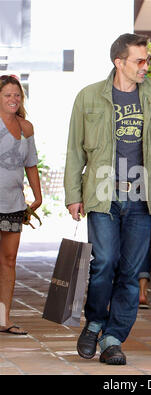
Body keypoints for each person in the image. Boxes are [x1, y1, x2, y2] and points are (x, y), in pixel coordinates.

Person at [64, 33, 151, 365]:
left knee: (131, 271)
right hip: (103, 196)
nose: (146, 67)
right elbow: (74, 150)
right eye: (140, 61)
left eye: (148, 61)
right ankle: (95, 322)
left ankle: (113, 338)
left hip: (141, 198)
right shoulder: (88, 98)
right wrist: (73, 194)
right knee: (104, 264)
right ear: (119, 62)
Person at [0, 75, 42, 335]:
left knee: (9, 261)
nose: (13, 99)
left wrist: (37, 196)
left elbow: (31, 164)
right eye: (7, 95)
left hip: (14, 203)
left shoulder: (26, 127)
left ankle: (3, 319)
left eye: (17, 95)